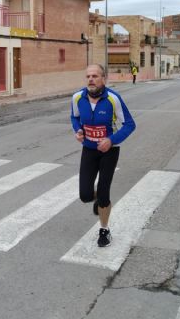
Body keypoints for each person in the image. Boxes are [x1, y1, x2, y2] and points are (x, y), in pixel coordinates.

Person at [71, 64, 136, 247]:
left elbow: (130, 124)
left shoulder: (113, 99)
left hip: (109, 151)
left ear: (103, 78)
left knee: (104, 191)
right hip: (89, 150)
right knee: (85, 195)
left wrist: (111, 140)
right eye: (88, 76)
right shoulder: (78, 98)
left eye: (95, 76)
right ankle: (98, 200)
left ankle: (104, 230)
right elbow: (75, 117)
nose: (91, 79)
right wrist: (78, 131)